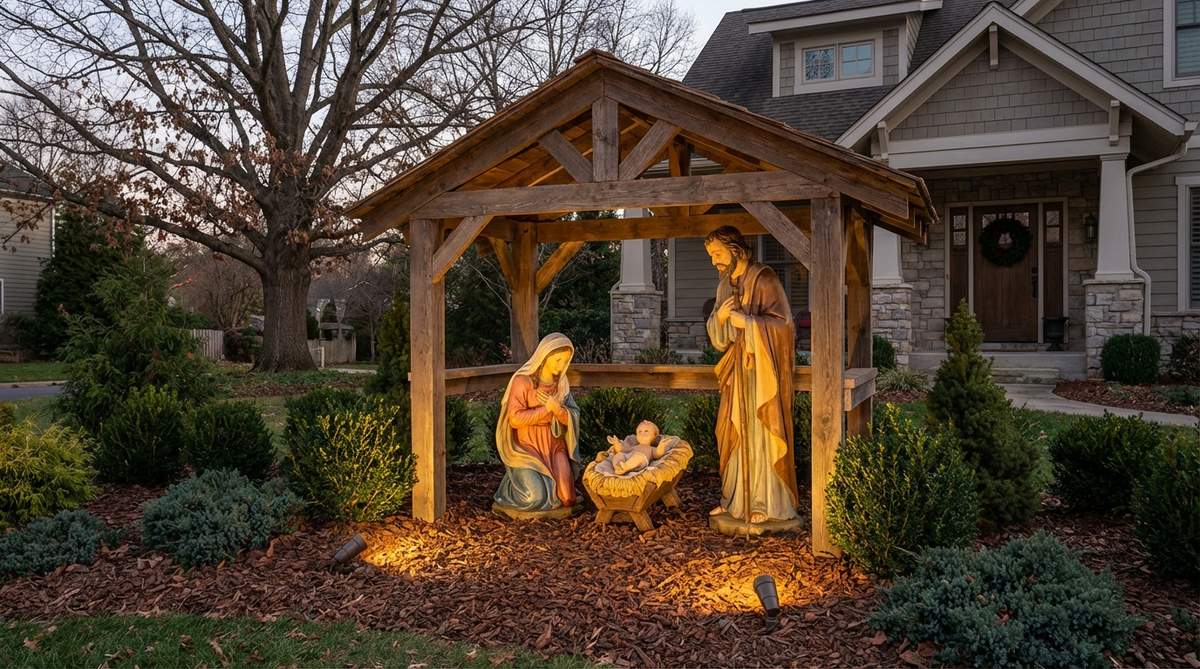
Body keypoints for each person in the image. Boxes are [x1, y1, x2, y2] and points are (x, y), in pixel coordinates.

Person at [703, 225, 800, 527]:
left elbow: (784, 326)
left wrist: (749, 323)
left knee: (760, 432)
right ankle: (734, 500)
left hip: (762, 376)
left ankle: (764, 502)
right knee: (730, 431)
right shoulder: (723, 286)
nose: (714, 261)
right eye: (711, 256)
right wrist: (718, 319)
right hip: (736, 376)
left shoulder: (765, 278)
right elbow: (720, 338)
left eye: (717, 254)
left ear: (734, 249)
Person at [493, 332, 581, 516]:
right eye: (557, 360)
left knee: (568, 498)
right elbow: (515, 419)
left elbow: (572, 416)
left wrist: (557, 409)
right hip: (527, 449)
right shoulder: (522, 381)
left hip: (554, 446)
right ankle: (508, 490)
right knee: (533, 498)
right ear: (544, 356)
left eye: (565, 361)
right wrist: (546, 410)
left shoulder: (561, 384)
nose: (561, 366)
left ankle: (547, 484)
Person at [605, 420, 669, 475]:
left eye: (646, 431)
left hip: (640, 461)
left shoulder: (651, 449)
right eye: (639, 432)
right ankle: (618, 467)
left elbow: (658, 454)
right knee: (619, 455)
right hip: (628, 457)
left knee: (638, 457)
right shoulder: (634, 446)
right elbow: (622, 450)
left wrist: (661, 446)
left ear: (655, 436)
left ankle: (625, 467)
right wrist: (616, 443)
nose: (642, 433)